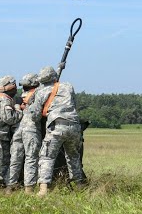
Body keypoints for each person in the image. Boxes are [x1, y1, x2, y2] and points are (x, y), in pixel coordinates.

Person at [29, 65, 87, 196]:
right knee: (73, 156)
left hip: (56, 126)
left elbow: (35, 115)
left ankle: (43, 189)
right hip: (74, 125)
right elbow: (73, 104)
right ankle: (79, 185)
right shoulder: (68, 87)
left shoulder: (41, 92)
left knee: (47, 157)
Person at [5, 72, 42, 194]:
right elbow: (37, 115)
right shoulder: (38, 96)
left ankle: (9, 187)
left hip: (17, 131)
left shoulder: (17, 98)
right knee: (31, 158)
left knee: (15, 159)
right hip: (31, 130)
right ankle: (29, 189)